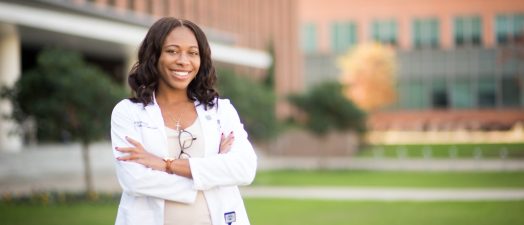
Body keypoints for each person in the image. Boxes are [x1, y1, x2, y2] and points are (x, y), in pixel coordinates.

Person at [110, 17, 257, 225]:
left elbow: (245, 169)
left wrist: (165, 165)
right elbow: (134, 180)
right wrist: (212, 173)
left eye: (193, 53)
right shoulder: (128, 113)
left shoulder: (220, 110)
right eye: (172, 51)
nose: (183, 60)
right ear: (154, 56)